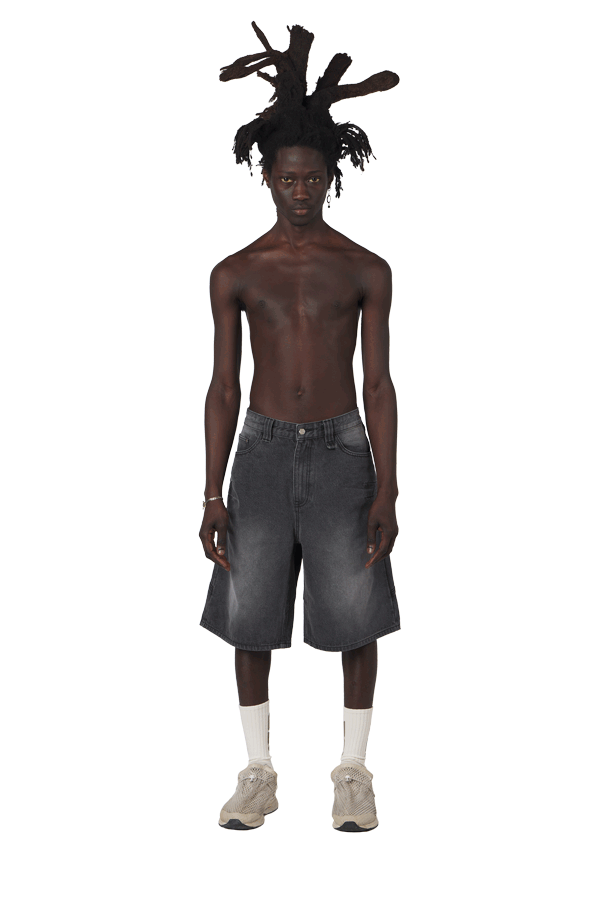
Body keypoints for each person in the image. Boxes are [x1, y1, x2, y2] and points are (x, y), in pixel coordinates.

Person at [199, 22, 401, 832]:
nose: (300, 192)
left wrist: (388, 486)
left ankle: (353, 773)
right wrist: (210, 492)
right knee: (249, 612)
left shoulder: (364, 268)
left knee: (355, 608)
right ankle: (257, 774)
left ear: (332, 176)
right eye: (287, 178)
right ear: (266, 176)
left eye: (313, 178)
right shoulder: (236, 272)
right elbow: (223, 385)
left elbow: (378, 382)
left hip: (343, 446)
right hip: (261, 448)